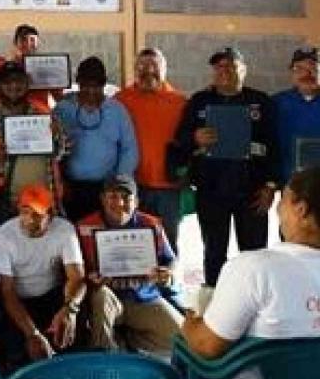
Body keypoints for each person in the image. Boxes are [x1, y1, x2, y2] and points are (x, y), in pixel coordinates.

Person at [181, 166, 320, 379]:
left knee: (185, 347)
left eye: (283, 199)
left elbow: (207, 346)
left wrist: (188, 325)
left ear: (300, 210)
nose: (277, 209)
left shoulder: (253, 268)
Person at [174, 47, 277, 288]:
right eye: (219, 67)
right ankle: (214, 305)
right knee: (213, 254)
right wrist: (195, 138)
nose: (224, 71)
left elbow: (275, 144)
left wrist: (271, 186)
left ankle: (254, 306)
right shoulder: (199, 101)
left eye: (230, 66)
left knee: (254, 256)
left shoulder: (261, 102)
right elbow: (181, 139)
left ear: (244, 70)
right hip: (211, 191)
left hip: (252, 191)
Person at [76, 176, 181, 355]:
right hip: (107, 300)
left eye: (126, 197)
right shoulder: (83, 227)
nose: (119, 202)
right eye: (113, 196)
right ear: (102, 199)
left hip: (143, 297)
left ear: (137, 202)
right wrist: (89, 278)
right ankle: (106, 353)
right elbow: (73, 271)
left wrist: (168, 274)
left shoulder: (152, 224)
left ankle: (125, 340)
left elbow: (170, 259)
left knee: (184, 342)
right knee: (100, 296)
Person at [0, 184, 85, 365]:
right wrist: (32, 334)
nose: (29, 219)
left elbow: (77, 278)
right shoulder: (4, 235)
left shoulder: (65, 230)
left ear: (51, 215)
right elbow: (7, 292)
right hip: (18, 302)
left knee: (70, 339)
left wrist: (69, 309)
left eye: (36, 214)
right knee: (16, 351)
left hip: (52, 296)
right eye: (24, 211)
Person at [115, 48, 187, 252]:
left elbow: (190, 143)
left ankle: (167, 283)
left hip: (168, 186)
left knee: (168, 242)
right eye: (141, 67)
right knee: (136, 241)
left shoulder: (180, 102)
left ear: (165, 69)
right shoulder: (121, 100)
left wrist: (188, 173)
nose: (148, 72)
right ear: (134, 71)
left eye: (154, 66)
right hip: (133, 186)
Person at [53, 56, 138, 222]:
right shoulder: (63, 109)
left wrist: (119, 183)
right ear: (78, 84)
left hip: (107, 188)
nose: (91, 91)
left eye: (96, 86)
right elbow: (50, 148)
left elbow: (129, 148)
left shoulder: (117, 110)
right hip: (71, 188)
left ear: (103, 85)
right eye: (86, 86)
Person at [0, 61, 52, 226]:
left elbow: (62, 154)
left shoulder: (42, 111)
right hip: (3, 200)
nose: (13, 86)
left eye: (19, 80)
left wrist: (57, 136)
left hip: (40, 197)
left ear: (27, 83)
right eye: (7, 82)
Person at [272, 47, 320, 187]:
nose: (306, 74)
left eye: (313, 68)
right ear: (291, 73)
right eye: (299, 68)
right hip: (290, 184)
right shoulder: (275, 103)